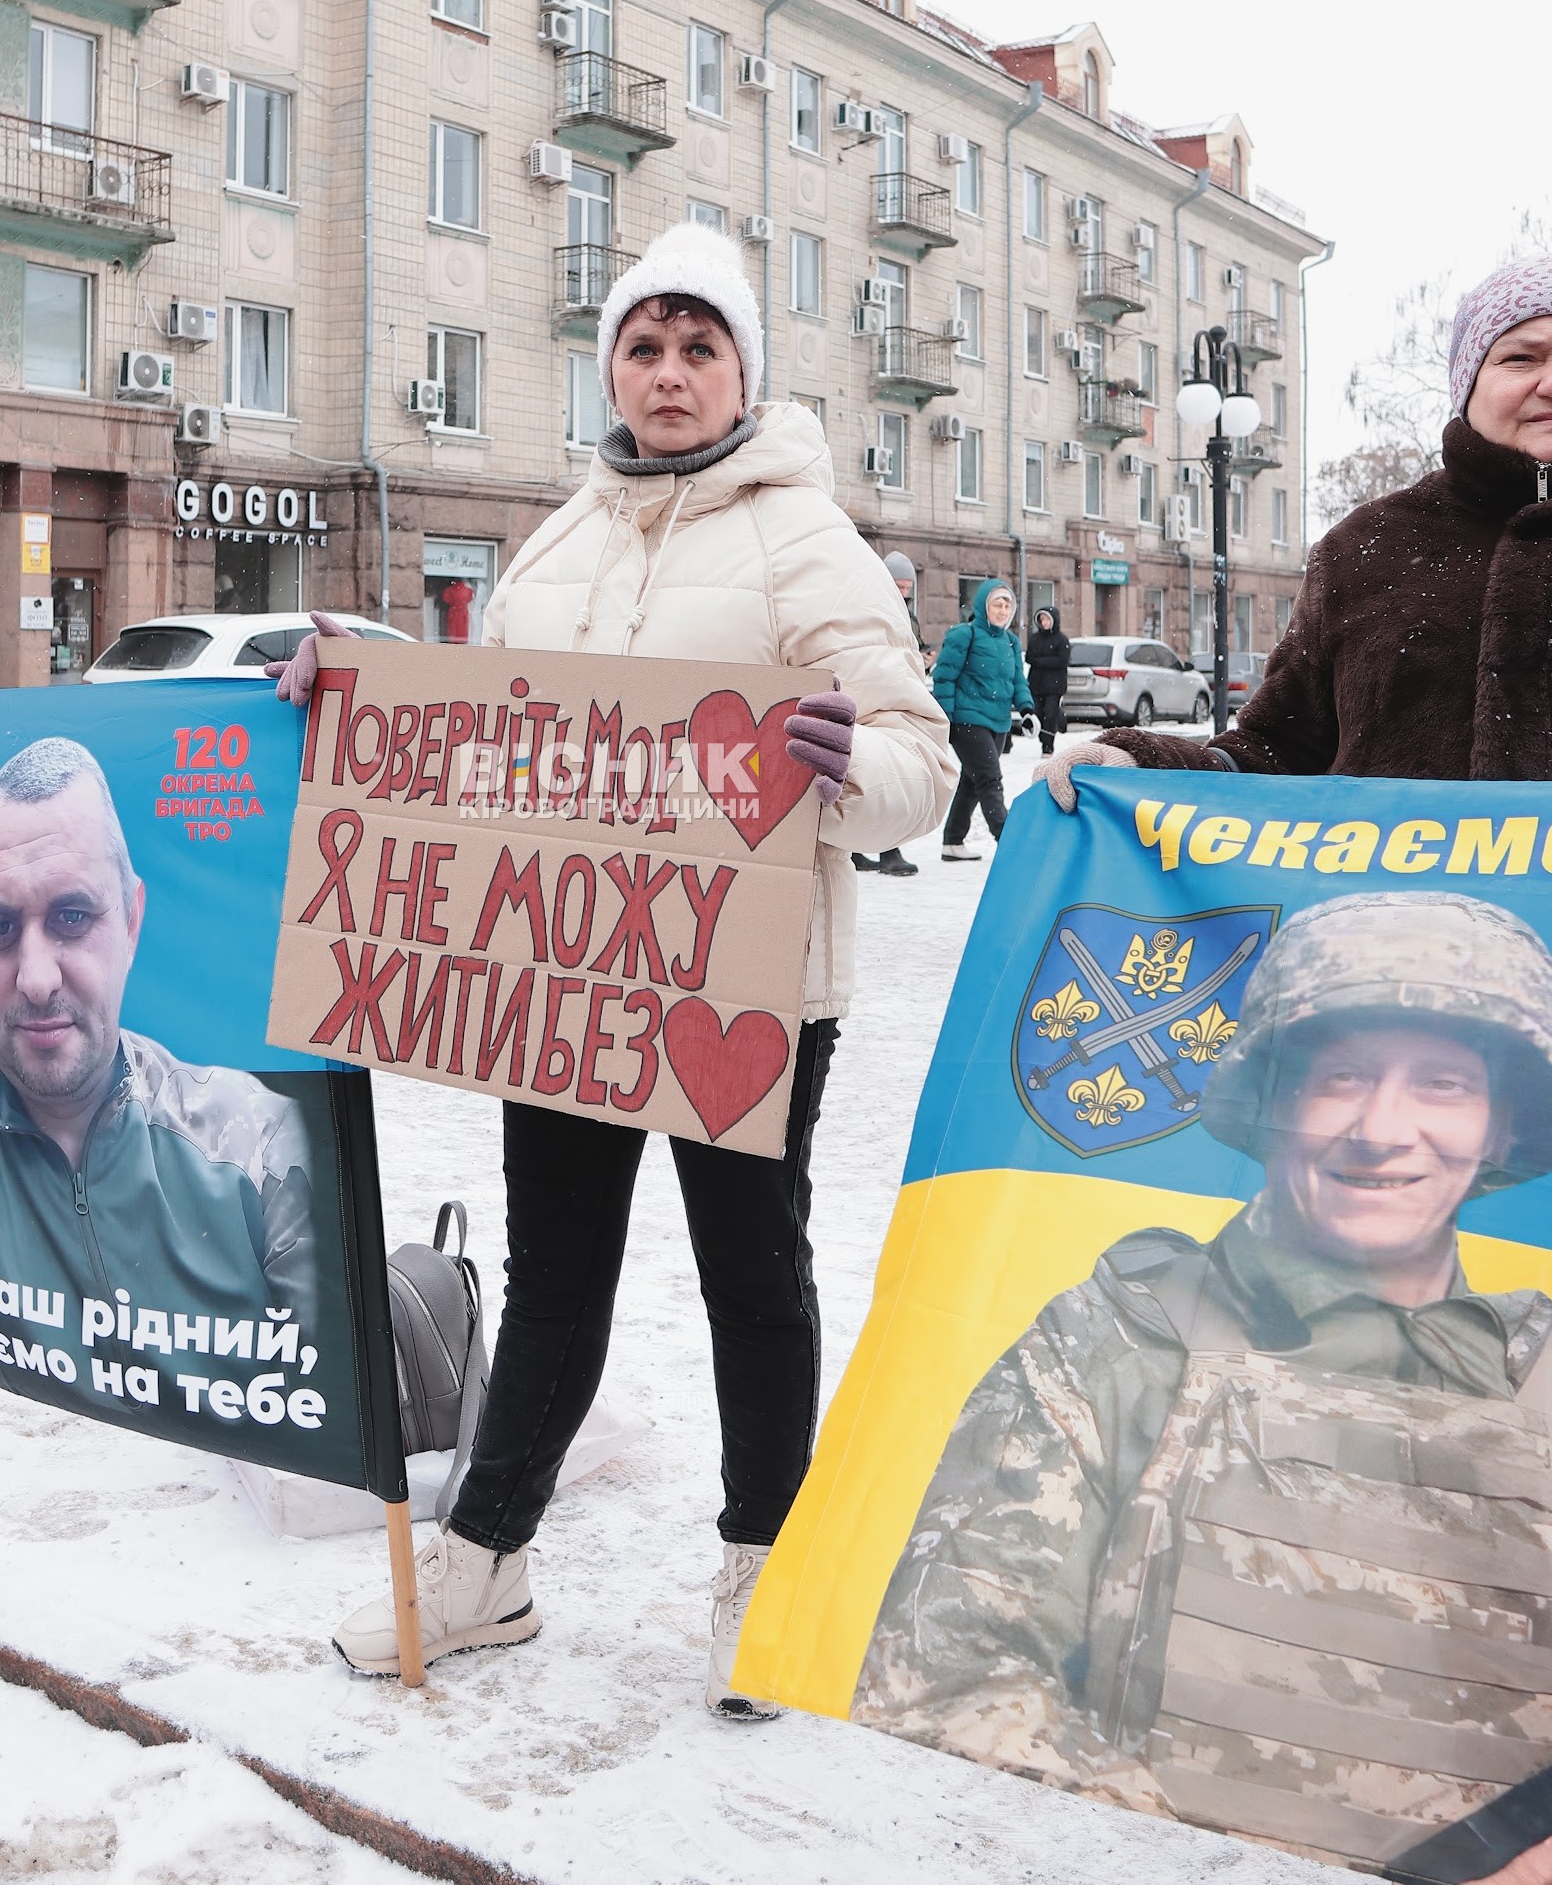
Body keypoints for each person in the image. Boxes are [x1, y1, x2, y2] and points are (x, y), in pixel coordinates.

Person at [317, 221, 955, 1711]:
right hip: (566, 977)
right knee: (552, 1277)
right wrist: (349, 686)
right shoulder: (560, 533)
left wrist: (845, 764)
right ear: (608, 364)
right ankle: (485, 1563)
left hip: (746, 989)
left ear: (741, 372)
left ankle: (764, 1571)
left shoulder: (807, 541)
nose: (668, 373)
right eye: (643, 346)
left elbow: (919, 761)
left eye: (699, 346)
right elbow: (478, 727)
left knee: (751, 1280)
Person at [855, 893, 1552, 1881]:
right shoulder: (1118, 1340)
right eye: (1338, 1077)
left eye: (1441, 1084)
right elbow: (940, 1680)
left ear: (1499, 1125)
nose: (1381, 1128)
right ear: (1269, 1099)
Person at [1035, 256, 1552, 807]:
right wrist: (1139, 770)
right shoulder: (1367, 549)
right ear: (1468, 383)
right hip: (1392, 894)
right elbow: (1276, 750)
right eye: (1521, 358)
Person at [0, 738, 319, 1356]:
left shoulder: (252, 1142)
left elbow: (337, 1390)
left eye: (72, 917)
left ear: (132, 922)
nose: (37, 978)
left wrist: (346, 713)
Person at [932, 580, 1034, 862]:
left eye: (1006, 605)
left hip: (998, 721)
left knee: (972, 780)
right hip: (967, 720)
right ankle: (1009, 841)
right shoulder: (965, 635)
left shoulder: (1011, 642)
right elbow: (945, 677)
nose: (1002, 611)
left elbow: (1017, 680)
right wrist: (946, 719)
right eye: (996, 604)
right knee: (989, 780)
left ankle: (952, 841)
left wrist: (1026, 709)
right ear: (983, 606)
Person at [855, 552, 924, 877]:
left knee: (885, 773)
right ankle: (885, 850)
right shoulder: (872, 608)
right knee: (882, 775)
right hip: (878, 697)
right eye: (898, 585)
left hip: (897, 697)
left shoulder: (906, 614)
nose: (904, 592)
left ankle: (869, 849)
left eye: (908, 586)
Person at [1024, 605, 1069, 757]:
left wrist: (1041, 662)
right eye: (1041, 619)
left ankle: (1048, 745)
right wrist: (1041, 661)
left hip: (1054, 686)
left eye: (1047, 619)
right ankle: (1043, 737)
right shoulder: (1035, 638)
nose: (1044, 623)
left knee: (1050, 714)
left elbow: (1062, 660)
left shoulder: (1061, 639)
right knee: (1036, 713)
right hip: (1036, 684)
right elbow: (1029, 657)